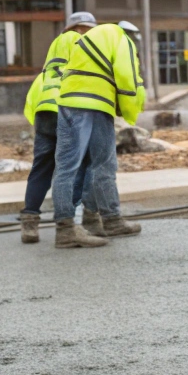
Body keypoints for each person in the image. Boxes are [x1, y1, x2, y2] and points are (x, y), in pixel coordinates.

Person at [51, 19, 146, 248]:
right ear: (131, 35)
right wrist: (131, 109)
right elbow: (127, 76)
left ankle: (98, 221)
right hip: (92, 104)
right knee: (97, 164)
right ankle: (70, 229)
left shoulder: (97, 35)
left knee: (80, 165)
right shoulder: (121, 39)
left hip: (75, 102)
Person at [19, 12, 95, 243]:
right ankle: (67, 222)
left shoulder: (53, 53)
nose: (90, 33)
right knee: (74, 167)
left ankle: (29, 224)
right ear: (77, 29)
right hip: (67, 108)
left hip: (44, 110)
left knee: (41, 168)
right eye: (86, 28)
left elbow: (34, 93)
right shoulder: (79, 44)